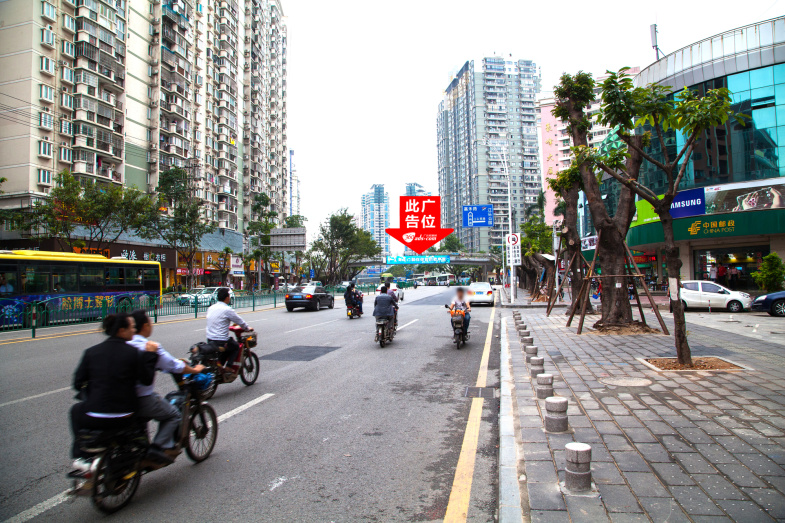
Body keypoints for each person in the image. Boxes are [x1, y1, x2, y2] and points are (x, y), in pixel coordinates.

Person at [70, 313, 159, 471]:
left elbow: (77, 384)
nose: (134, 330)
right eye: (132, 327)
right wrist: (150, 355)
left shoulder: (91, 352)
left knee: (75, 410)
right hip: (124, 417)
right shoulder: (133, 353)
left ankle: (81, 455)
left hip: (93, 417)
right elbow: (146, 380)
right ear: (121, 330)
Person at [129, 310, 205, 458]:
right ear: (144, 326)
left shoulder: (124, 344)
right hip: (141, 398)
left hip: (118, 398)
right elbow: (174, 366)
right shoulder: (150, 346)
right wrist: (195, 369)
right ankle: (158, 448)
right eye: (150, 322)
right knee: (174, 415)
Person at [205, 287, 253, 375]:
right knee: (236, 346)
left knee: (227, 349)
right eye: (229, 296)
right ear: (227, 298)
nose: (230, 298)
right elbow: (240, 321)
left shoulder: (211, 308)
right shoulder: (227, 310)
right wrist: (247, 328)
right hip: (221, 341)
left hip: (210, 339)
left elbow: (218, 321)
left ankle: (220, 367)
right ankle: (229, 366)